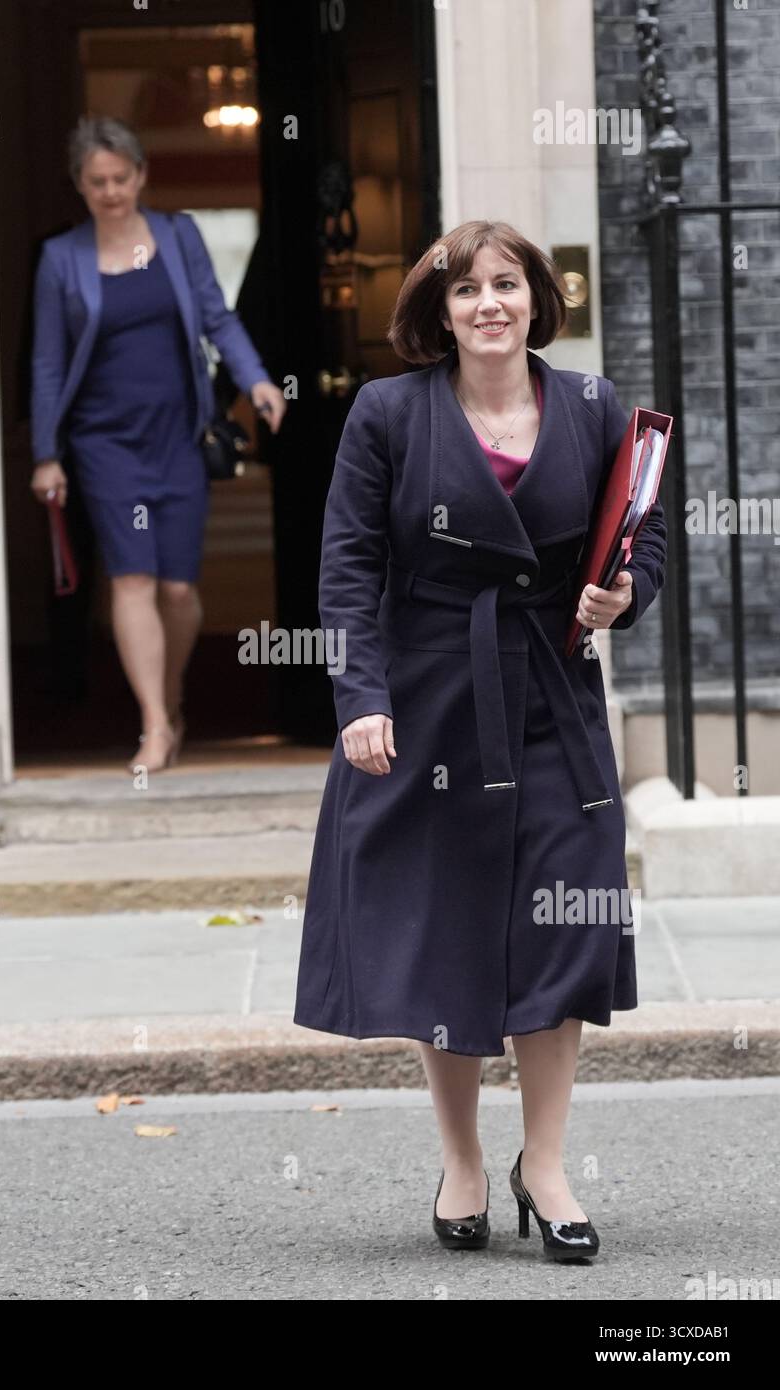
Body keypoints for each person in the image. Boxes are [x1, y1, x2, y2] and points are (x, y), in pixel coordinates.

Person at [292, 220, 667, 1262]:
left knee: (560, 925)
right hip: (425, 698)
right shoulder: (385, 413)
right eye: (468, 291)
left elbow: (647, 535)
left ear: (537, 299)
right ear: (439, 311)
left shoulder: (593, 408)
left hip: (551, 696)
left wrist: (626, 591)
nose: (489, 304)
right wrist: (358, 694)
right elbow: (348, 563)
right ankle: (461, 1159)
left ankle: (542, 1162)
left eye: (507, 285)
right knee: (441, 925)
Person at [29, 116, 286, 771]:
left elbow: (216, 317)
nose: (111, 191)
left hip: (177, 434)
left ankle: (169, 699)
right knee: (132, 578)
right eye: (97, 182)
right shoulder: (62, 258)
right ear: (79, 186)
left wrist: (256, 381)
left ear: (141, 176)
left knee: (177, 590)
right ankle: (154, 726)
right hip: (103, 442)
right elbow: (48, 363)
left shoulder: (176, 237)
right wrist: (46, 452)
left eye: (121, 178)